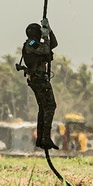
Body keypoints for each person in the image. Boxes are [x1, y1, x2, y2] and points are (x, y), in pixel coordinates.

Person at [19, 19, 59, 150]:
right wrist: (45, 35)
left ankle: (42, 139)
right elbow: (45, 49)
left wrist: (49, 30)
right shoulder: (31, 44)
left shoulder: (34, 43)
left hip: (38, 79)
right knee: (49, 106)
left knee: (43, 108)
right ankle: (45, 138)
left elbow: (53, 44)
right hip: (39, 79)